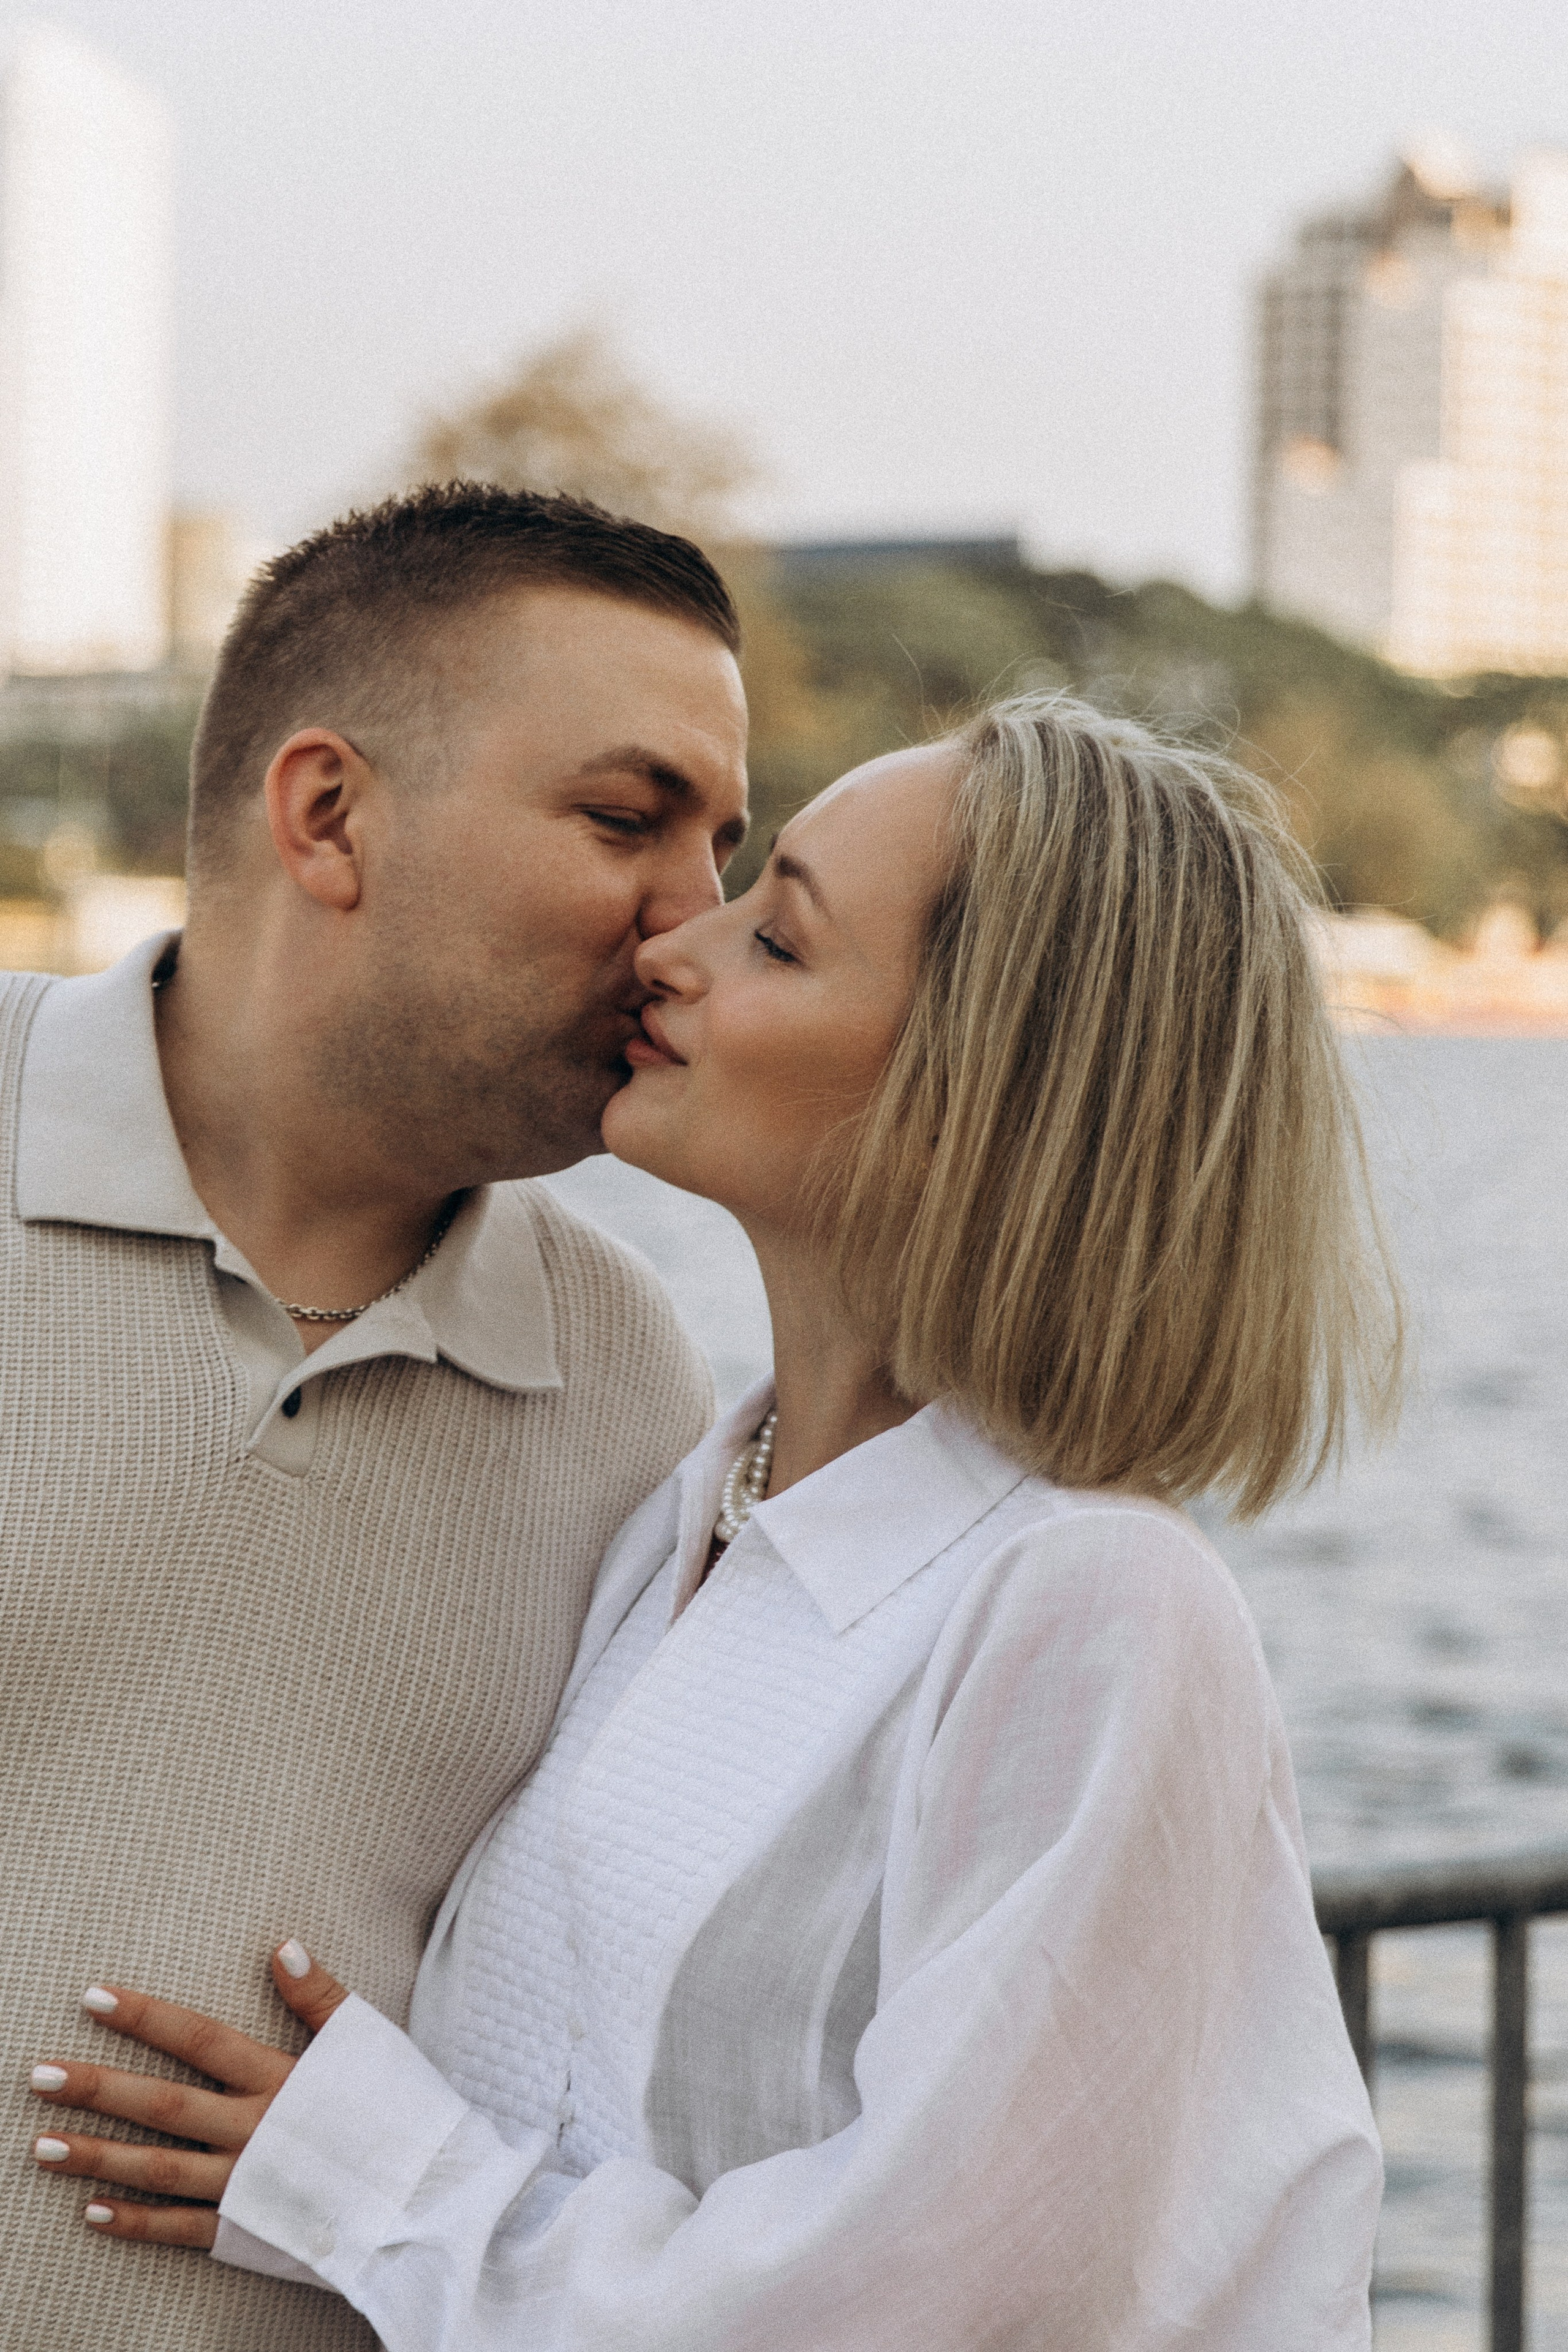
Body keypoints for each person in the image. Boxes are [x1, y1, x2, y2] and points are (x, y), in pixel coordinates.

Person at [29, 694, 1401, 2349]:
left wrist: (371, 2183)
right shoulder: (680, 1521)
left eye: (781, 940)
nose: (678, 944)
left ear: (972, 1095)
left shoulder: (1097, 1607)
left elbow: (935, 2299)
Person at [0, 483, 751, 2352]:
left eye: (725, 851)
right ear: (329, 815)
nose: (694, 930)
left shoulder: (637, 1384)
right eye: (624, 821)